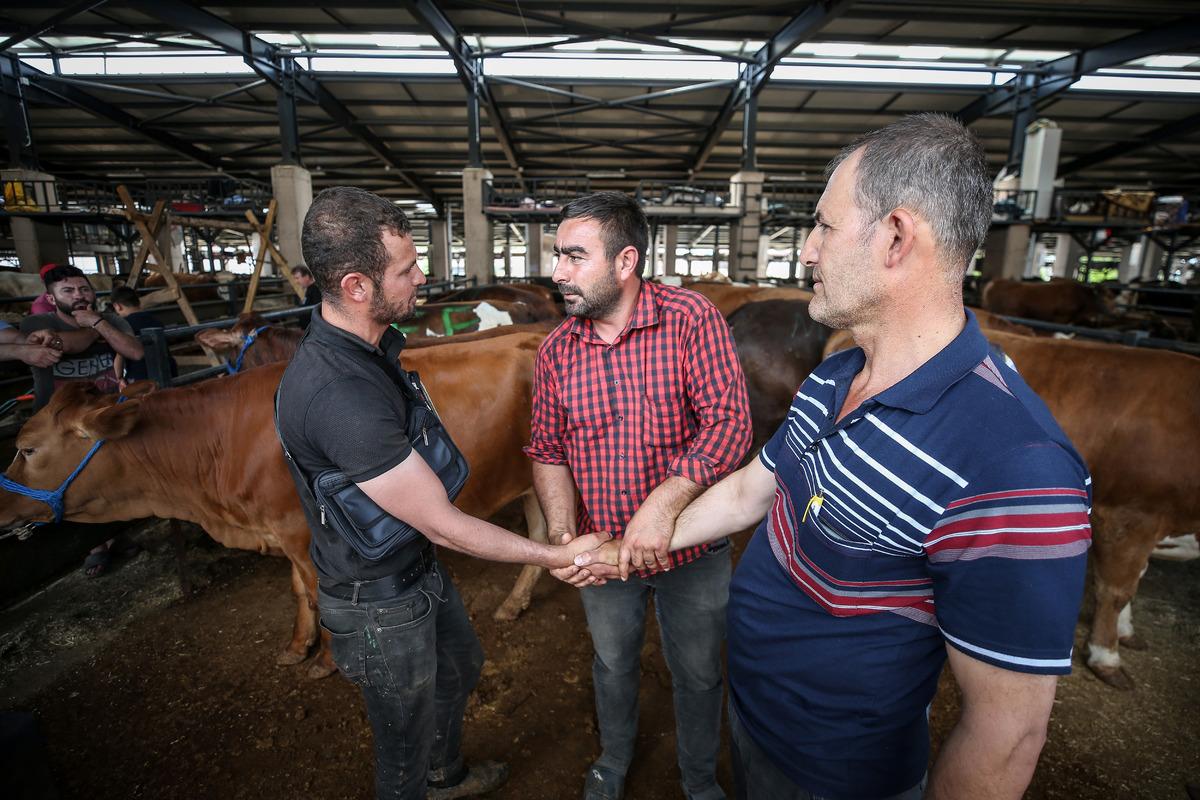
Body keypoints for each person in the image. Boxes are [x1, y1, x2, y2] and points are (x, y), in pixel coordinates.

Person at [576, 114, 1092, 800]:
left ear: (897, 237)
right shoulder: (835, 375)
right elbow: (749, 494)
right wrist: (623, 549)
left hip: (839, 772)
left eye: (823, 226)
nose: (808, 253)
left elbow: (1007, 734)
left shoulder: (1015, 463)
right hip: (755, 717)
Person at [275, 186, 610, 800]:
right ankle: (425, 778)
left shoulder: (369, 348)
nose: (422, 277)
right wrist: (554, 555)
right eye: (406, 270)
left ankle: (446, 775)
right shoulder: (338, 393)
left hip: (410, 570)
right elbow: (441, 522)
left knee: (459, 671)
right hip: (376, 602)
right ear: (356, 286)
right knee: (401, 744)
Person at [524, 192, 752, 800]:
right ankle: (615, 756)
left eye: (575, 257)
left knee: (700, 672)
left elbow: (729, 423)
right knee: (613, 663)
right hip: (603, 554)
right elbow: (547, 450)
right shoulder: (555, 351)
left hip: (690, 550)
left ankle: (699, 778)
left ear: (626, 262)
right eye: (558, 255)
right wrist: (564, 536)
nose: (558, 272)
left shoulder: (691, 319)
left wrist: (662, 506)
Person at [19, 265, 144, 411]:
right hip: (58, 416)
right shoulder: (36, 323)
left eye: (84, 289)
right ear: (51, 299)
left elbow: (136, 352)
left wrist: (97, 323)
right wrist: (96, 329)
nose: (79, 295)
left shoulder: (111, 320)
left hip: (105, 409)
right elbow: (62, 344)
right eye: (68, 290)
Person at [107, 285, 175, 385]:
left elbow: (119, 355)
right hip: (168, 372)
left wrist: (119, 378)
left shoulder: (123, 325)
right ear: (137, 302)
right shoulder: (156, 321)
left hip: (140, 377)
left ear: (118, 306)